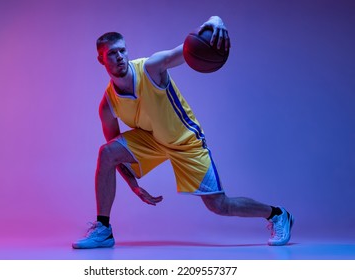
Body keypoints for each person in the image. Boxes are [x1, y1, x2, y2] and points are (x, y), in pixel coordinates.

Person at [72, 15, 294, 249]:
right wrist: (134, 185)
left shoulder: (151, 68)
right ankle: (104, 229)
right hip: (153, 140)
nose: (119, 57)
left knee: (219, 205)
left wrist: (215, 21)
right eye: (112, 54)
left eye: (122, 51)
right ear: (101, 59)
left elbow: (186, 50)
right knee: (107, 152)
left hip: (185, 141)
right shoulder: (108, 104)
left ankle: (277, 214)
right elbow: (117, 156)